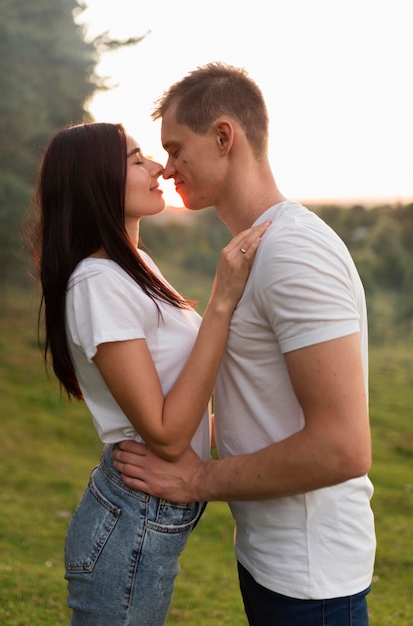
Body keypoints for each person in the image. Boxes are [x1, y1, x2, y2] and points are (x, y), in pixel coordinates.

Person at [112, 63, 376, 626]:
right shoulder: (254, 250)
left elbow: (343, 447)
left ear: (225, 137)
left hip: (313, 583)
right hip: (271, 561)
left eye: (176, 148)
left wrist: (198, 480)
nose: (167, 167)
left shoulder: (294, 253)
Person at [30, 120, 270, 625]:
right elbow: (163, 434)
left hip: (148, 515)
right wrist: (221, 300)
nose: (159, 167)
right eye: (137, 160)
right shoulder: (96, 283)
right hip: (132, 520)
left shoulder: (135, 263)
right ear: (96, 182)